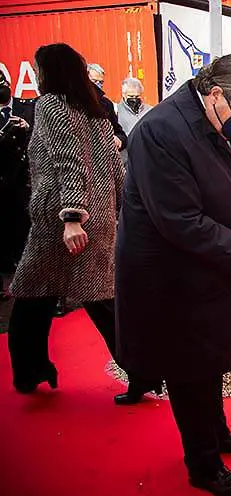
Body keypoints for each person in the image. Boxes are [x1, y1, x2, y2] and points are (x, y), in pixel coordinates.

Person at [116, 53, 231, 496]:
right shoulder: (160, 132)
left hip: (209, 266)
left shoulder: (225, 122)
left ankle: (219, 435)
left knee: (210, 358)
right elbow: (180, 220)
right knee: (189, 369)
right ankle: (204, 466)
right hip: (171, 277)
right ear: (215, 96)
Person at [7, 43, 123, 394]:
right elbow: (115, 169)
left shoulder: (51, 106)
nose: (36, 75)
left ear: (50, 71)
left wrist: (73, 216)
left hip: (61, 223)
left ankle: (30, 372)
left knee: (29, 296)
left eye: (38, 68)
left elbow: (68, 162)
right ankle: (142, 366)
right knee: (99, 300)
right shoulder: (97, 111)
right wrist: (116, 210)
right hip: (97, 217)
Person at [0, 71, 32, 300]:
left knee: (24, 233)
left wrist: (26, 128)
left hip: (24, 182)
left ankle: (27, 279)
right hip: (2, 182)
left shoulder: (27, 106)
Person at [87, 63, 127, 151]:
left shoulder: (106, 104)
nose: (98, 85)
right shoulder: (77, 104)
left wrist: (119, 140)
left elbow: (119, 132)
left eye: (101, 82)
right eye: (94, 81)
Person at [117, 77, 152, 164]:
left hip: (146, 160)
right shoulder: (116, 111)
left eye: (137, 96)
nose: (134, 99)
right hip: (126, 161)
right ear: (123, 95)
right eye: (131, 96)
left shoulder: (150, 110)